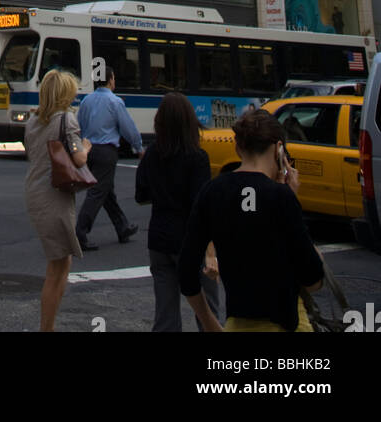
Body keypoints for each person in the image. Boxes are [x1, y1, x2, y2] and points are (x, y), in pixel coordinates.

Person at [178, 107, 324, 332]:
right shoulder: (280, 196)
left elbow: (187, 271)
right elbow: (313, 280)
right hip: (284, 324)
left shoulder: (212, 192)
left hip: (237, 323)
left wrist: (209, 322)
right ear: (279, 149)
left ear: (238, 148)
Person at [135, 92, 220, 331]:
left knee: (165, 314)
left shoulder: (151, 154)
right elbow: (201, 208)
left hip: (160, 239)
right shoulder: (197, 157)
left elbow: (141, 196)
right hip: (190, 241)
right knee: (208, 312)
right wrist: (210, 251)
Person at [24, 69, 92, 331]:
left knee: (60, 261)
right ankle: (47, 327)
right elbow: (79, 159)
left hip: (35, 190)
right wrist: (85, 147)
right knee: (58, 265)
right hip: (55, 196)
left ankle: (48, 326)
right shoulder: (67, 120)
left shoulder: (32, 121)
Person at [75, 66, 142, 249]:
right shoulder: (115, 101)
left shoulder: (86, 100)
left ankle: (122, 227)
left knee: (106, 191)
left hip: (89, 149)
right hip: (107, 150)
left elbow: (78, 125)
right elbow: (128, 127)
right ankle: (80, 232)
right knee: (98, 191)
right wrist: (138, 146)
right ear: (111, 79)